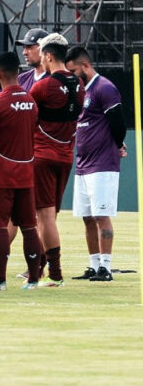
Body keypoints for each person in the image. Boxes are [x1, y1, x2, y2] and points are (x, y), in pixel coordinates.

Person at [0, 51, 42, 291]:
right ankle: (33, 279)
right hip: (26, 174)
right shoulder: (32, 102)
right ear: (19, 73)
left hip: (0, 175)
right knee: (29, 226)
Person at [66, 46, 126, 282]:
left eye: (74, 71)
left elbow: (118, 122)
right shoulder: (80, 91)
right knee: (87, 217)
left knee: (102, 215)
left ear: (85, 66)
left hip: (102, 164)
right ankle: (93, 265)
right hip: (82, 163)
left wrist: (119, 144)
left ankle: (106, 268)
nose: (71, 76)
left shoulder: (105, 88)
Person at [30, 33, 85, 287]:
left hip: (42, 155)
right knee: (50, 215)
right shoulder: (80, 84)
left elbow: (27, 118)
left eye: (42, 54)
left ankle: (54, 274)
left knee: (44, 216)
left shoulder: (43, 86)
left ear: (48, 56)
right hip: (65, 156)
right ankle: (40, 269)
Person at [16, 28, 49, 93]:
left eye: (29, 47)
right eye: (24, 47)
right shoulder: (22, 78)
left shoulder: (55, 79)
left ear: (43, 48)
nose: (24, 52)